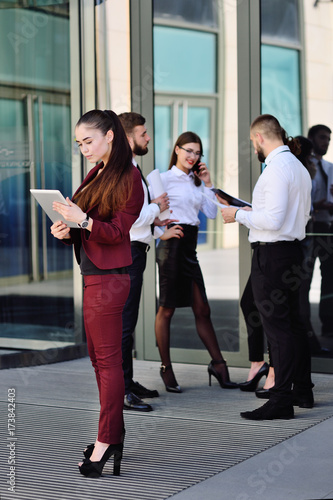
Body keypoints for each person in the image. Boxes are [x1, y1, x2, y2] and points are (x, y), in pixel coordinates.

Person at [50, 109, 144, 477]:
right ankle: (114, 435)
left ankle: (106, 442)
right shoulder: (98, 172)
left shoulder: (130, 177)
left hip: (111, 278)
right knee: (98, 359)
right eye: (79, 144)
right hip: (95, 274)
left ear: (110, 135)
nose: (84, 149)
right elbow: (90, 227)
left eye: (88, 141)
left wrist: (84, 221)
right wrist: (68, 229)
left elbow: (118, 230)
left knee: (107, 362)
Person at [221, 114, 313, 420]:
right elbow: (297, 214)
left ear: (260, 137)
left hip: (272, 256)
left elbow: (273, 221)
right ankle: (302, 390)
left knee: (278, 328)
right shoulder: (299, 168)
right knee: (295, 325)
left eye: (252, 142)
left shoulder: (275, 170)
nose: (254, 148)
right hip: (293, 252)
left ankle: (281, 400)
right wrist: (252, 211)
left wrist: (238, 215)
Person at [152, 131, 238, 393]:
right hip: (171, 247)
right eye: (188, 150)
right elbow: (145, 215)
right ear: (176, 149)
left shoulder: (197, 182)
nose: (193, 156)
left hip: (190, 248)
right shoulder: (161, 179)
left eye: (197, 152)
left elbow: (212, 213)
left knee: (202, 309)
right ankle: (166, 368)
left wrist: (208, 183)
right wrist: (160, 233)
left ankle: (219, 365)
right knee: (167, 310)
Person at [117, 112, 171, 412]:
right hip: (128, 253)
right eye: (143, 133)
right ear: (128, 138)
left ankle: (129, 382)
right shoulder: (124, 170)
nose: (148, 137)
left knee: (130, 322)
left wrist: (162, 225)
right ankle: (123, 390)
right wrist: (156, 206)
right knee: (125, 324)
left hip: (138, 251)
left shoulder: (134, 168)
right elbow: (131, 218)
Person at [307, 125, 333, 337]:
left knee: (330, 278)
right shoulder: (305, 167)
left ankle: (328, 324)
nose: (326, 142)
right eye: (322, 137)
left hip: (327, 229)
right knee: (304, 278)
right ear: (312, 139)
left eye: (328, 139)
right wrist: (318, 205)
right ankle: (304, 327)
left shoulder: (330, 168)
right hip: (309, 229)